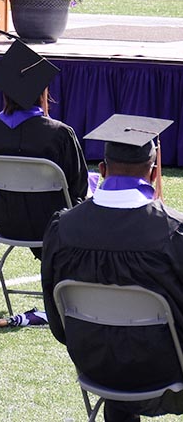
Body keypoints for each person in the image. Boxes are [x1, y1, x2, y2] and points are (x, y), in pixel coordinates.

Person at [41, 113, 183, 422]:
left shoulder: (62, 228)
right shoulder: (174, 232)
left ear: (102, 170)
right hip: (166, 370)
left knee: (120, 339)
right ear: (154, 171)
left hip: (96, 365)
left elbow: (57, 319)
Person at [0, 40, 88, 251]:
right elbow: (78, 188)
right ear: (43, 93)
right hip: (52, 223)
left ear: (5, 92)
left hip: (6, 222)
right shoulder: (60, 134)